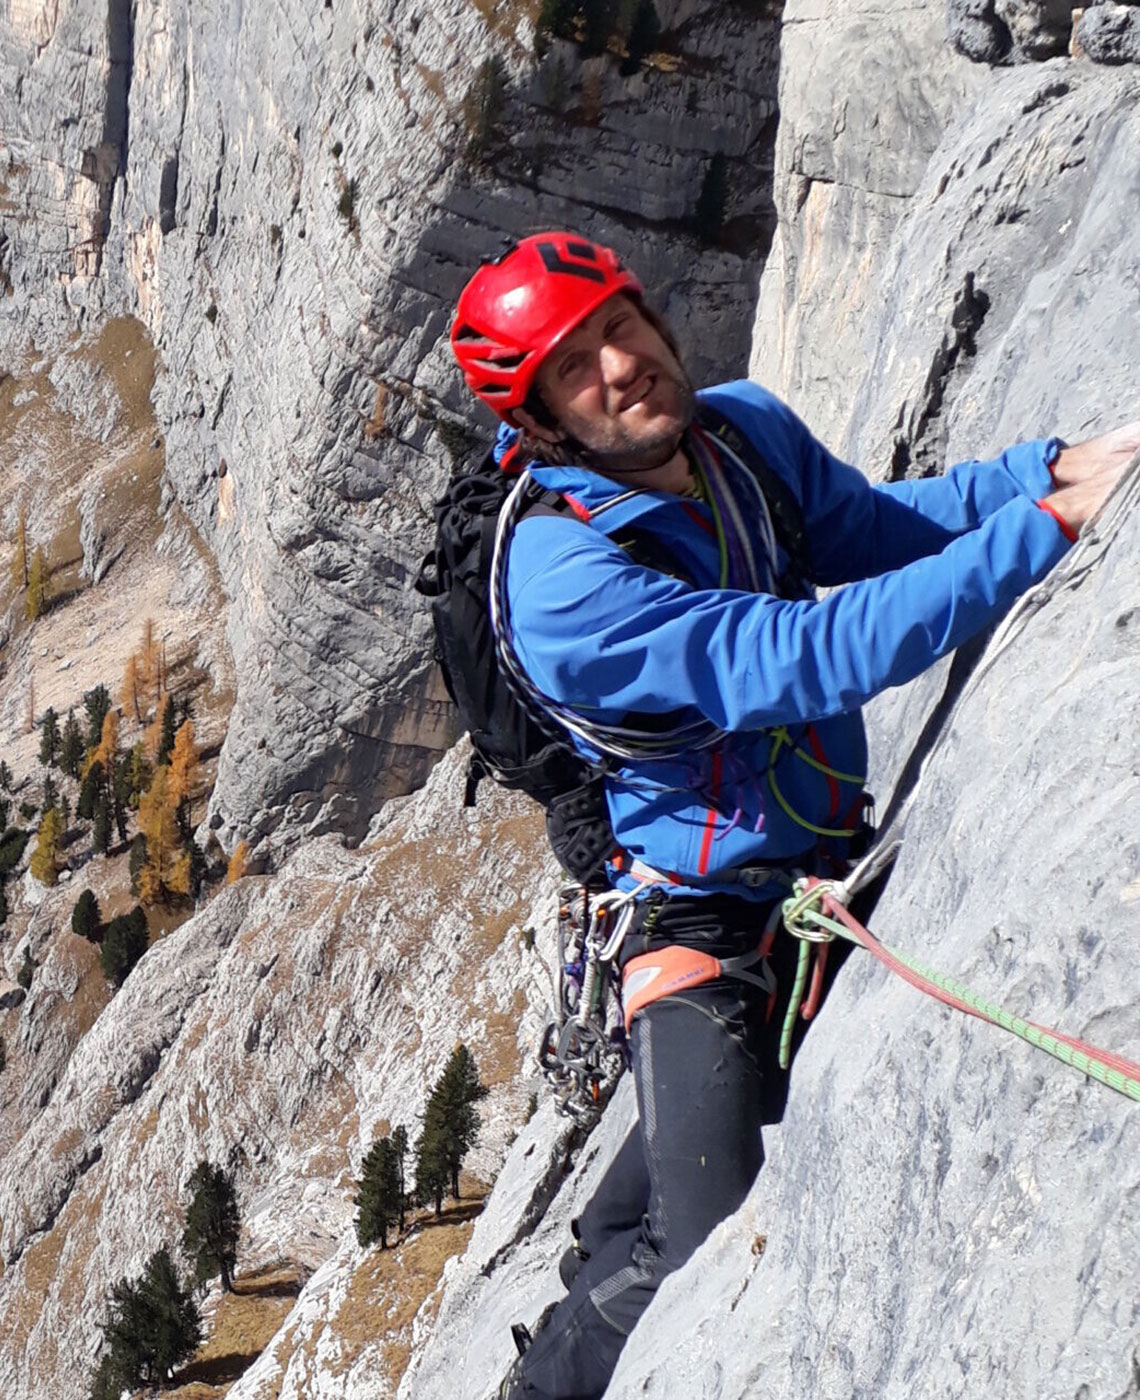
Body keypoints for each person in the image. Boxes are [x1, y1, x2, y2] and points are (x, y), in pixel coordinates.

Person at [443, 232, 1136, 1400]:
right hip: (698, 917)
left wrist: (1049, 466)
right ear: (544, 418)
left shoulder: (740, 433)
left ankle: (595, 1244)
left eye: (619, 325)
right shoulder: (560, 577)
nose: (619, 365)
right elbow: (801, 655)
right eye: (575, 366)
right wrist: (1050, 526)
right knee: (697, 1243)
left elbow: (870, 527)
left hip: (813, 859)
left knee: (666, 1188)